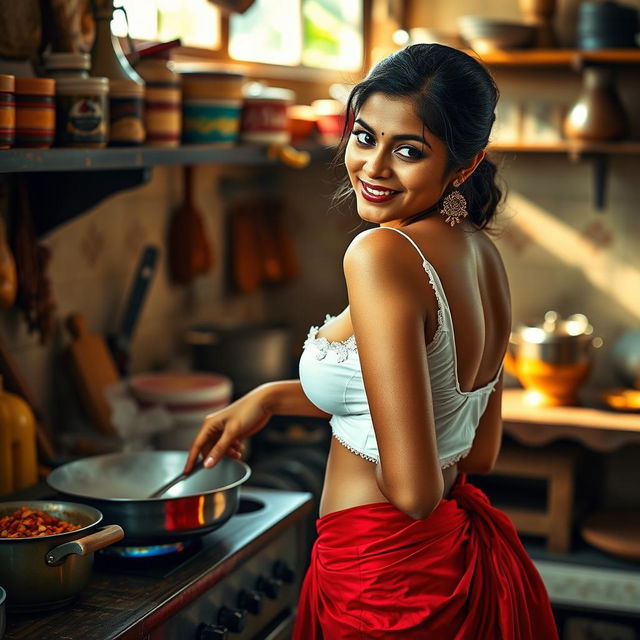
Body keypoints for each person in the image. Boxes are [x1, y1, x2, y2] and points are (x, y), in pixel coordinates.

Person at [185, 43, 559, 639]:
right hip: (444, 560)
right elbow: (472, 448)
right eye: (364, 137)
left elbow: (413, 491)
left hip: (379, 580)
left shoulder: (381, 253)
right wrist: (273, 397)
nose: (374, 167)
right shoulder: (484, 255)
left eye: (408, 150)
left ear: (464, 165)